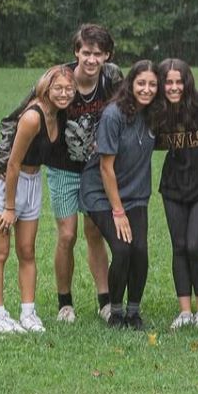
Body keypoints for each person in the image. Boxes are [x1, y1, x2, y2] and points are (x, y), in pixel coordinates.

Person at [0, 66, 74, 333]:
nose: (64, 93)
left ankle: (28, 312)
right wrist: (10, 207)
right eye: (58, 88)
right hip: (6, 183)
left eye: (69, 89)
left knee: (27, 250)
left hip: (32, 183)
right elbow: (13, 164)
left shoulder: (57, 115)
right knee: (0, 252)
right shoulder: (33, 117)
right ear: (45, 88)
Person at [45, 24, 120, 322]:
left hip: (95, 167)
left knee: (94, 232)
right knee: (67, 235)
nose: (91, 60)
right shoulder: (58, 78)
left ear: (107, 56)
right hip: (63, 166)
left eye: (97, 54)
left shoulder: (112, 77)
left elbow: (129, 109)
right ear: (76, 52)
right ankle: (65, 302)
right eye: (86, 53)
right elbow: (29, 110)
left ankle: (105, 300)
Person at [79, 61, 159, 329]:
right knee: (122, 249)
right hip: (102, 192)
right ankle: (115, 312)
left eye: (152, 84)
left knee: (140, 251)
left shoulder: (154, 113)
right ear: (131, 84)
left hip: (135, 193)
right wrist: (117, 211)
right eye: (141, 83)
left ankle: (133, 312)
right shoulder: (114, 115)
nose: (146, 89)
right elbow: (105, 167)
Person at [152, 59, 198, 328]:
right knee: (178, 246)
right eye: (168, 82)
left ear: (187, 82)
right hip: (173, 186)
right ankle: (185, 311)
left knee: (195, 245)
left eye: (179, 81)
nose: (174, 87)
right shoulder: (156, 112)